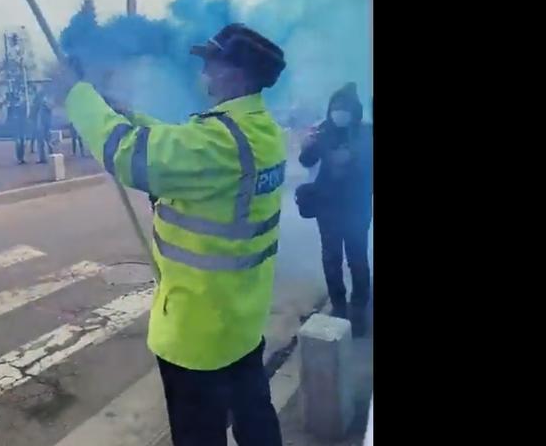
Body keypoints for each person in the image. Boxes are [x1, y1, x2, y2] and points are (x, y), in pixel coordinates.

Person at [58, 23, 287, 446]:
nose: (204, 74)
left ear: (236, 73)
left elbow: (132, 158)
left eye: (211, 64)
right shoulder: (261, 131)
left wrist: (79, 96)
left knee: (200, 436)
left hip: (199, 336)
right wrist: (124, 112)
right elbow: (174, 147)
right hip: (240, 322)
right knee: (256, 421)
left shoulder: (222, 140)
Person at [298, 82, 373, 336]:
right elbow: (306, 161)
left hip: (357, 206)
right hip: (327, 207)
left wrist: (352, 159)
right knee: (331, 258)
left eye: (344, 108)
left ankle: (359, 307)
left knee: (357, 259)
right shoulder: (322, 131)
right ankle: (338, 306)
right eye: (335, 107)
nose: (339, 112)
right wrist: (306, 146)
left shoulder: (365, 133)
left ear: (355, 111)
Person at [5, 86, 28, 164]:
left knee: (22, 142)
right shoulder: (12, 106)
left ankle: (21, 157)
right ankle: (19, 158)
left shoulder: (23, 105)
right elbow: (9, 117)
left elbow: (25, 115)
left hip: (22, 124)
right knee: (18, 142)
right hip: (16, 126)